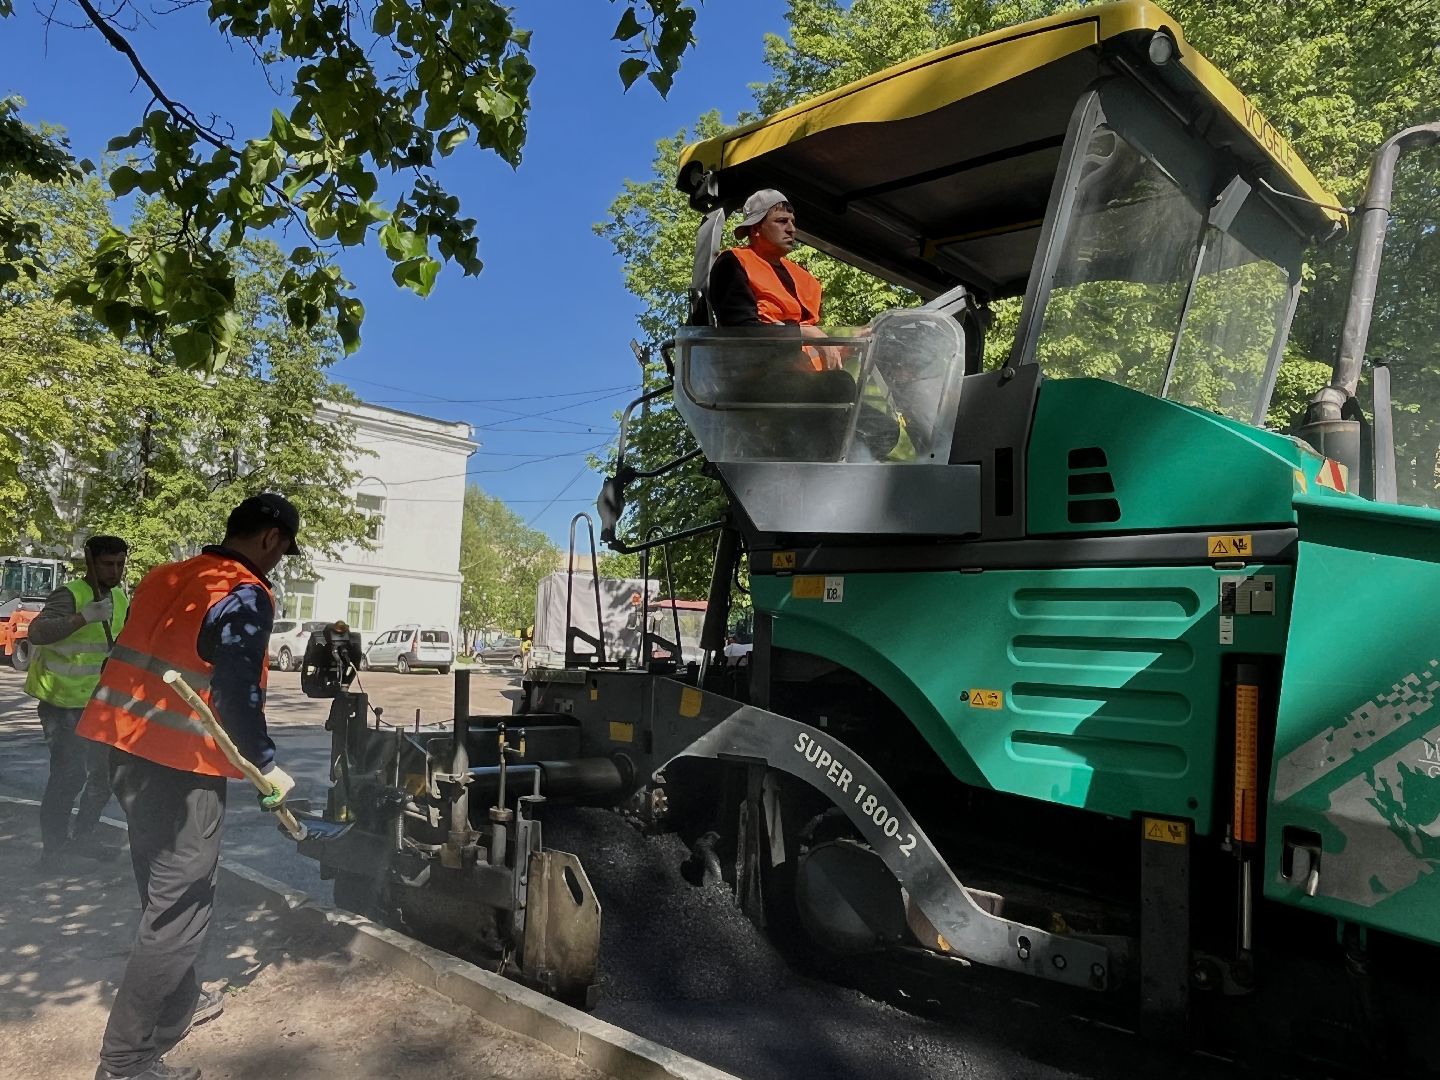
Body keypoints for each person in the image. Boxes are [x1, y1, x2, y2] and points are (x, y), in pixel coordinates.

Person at [78, 494, 303, 1080]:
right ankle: (126, 1062)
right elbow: (236, 691)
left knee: (159, 894)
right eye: (283, 551)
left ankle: (175, 1005)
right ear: (272, 540)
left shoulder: (166, 575)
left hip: (126, 752)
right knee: (180, 910)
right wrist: (264, 763)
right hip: (183, 770)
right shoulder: (244, 593)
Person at [25, 534, 130, 862]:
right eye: (108, 564)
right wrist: (82, 617)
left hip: (99, 704)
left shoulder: (120, 598)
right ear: (92, 563)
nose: (115, 571)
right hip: (62, 704)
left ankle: (83, 837)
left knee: (104, 776)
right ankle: (53, 851)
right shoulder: (70, 595)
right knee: (69, 776)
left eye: (120, 564)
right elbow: (37, 633)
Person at [707, 188, 842, 369]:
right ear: (755, 228)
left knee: (846, 384)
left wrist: (853, 343)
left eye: (793, 222)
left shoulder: (804, 278)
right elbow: (740, 333)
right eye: (781, 221)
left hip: (808, 378)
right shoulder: (733, 263)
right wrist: (803, 333)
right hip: (760, 379)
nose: (791, 229)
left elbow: (817, 338)